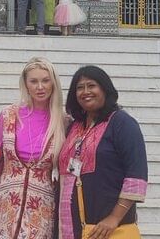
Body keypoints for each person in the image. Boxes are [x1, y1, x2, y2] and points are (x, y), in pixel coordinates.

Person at [0, 57, 66, 238]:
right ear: (25, 84)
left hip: (41, 211)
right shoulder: (9, 115)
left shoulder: (63, 121)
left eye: (45, 80)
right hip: (4, 207)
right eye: (34, 81)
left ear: (53, 83)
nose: (40, 87)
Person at [58, 66, 148, 239]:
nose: (85, 92)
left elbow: (136, 175)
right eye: (80, 87)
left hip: (108, 230)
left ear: (105, 89)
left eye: (91, 85)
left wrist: (114, 218)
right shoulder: (74, 127)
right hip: (72, 227)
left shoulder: (122, 123)